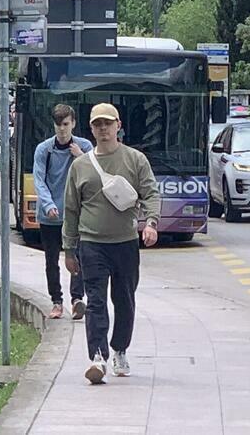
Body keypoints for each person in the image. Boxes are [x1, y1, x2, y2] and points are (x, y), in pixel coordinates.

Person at [63, 103, 161, 385]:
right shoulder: (80, 166)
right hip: (92, 243)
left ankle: (120, 349)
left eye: (108, 123)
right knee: (95, 302)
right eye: (97, 124)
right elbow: (71, 209)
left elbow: (151, 194)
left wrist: (151, 223)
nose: (103, 129)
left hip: (126, 243)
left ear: (118, 125)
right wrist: (69, 249)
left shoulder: (135, 159)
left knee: (125, 300)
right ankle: (97, 357)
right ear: (91, 129)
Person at [33, 104, 93, 320]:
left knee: (76, 257)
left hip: (75, 215)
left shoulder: (84, 147)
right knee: (51, 260)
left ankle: (77, 299)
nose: (62, 129)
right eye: (58, 124)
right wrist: (48, 205)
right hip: (50, 216)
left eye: (66, 124)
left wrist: (79, 156)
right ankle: (56, 301)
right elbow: (39, 180)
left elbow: (95, 174)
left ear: (73, 124)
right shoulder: (44, 149)